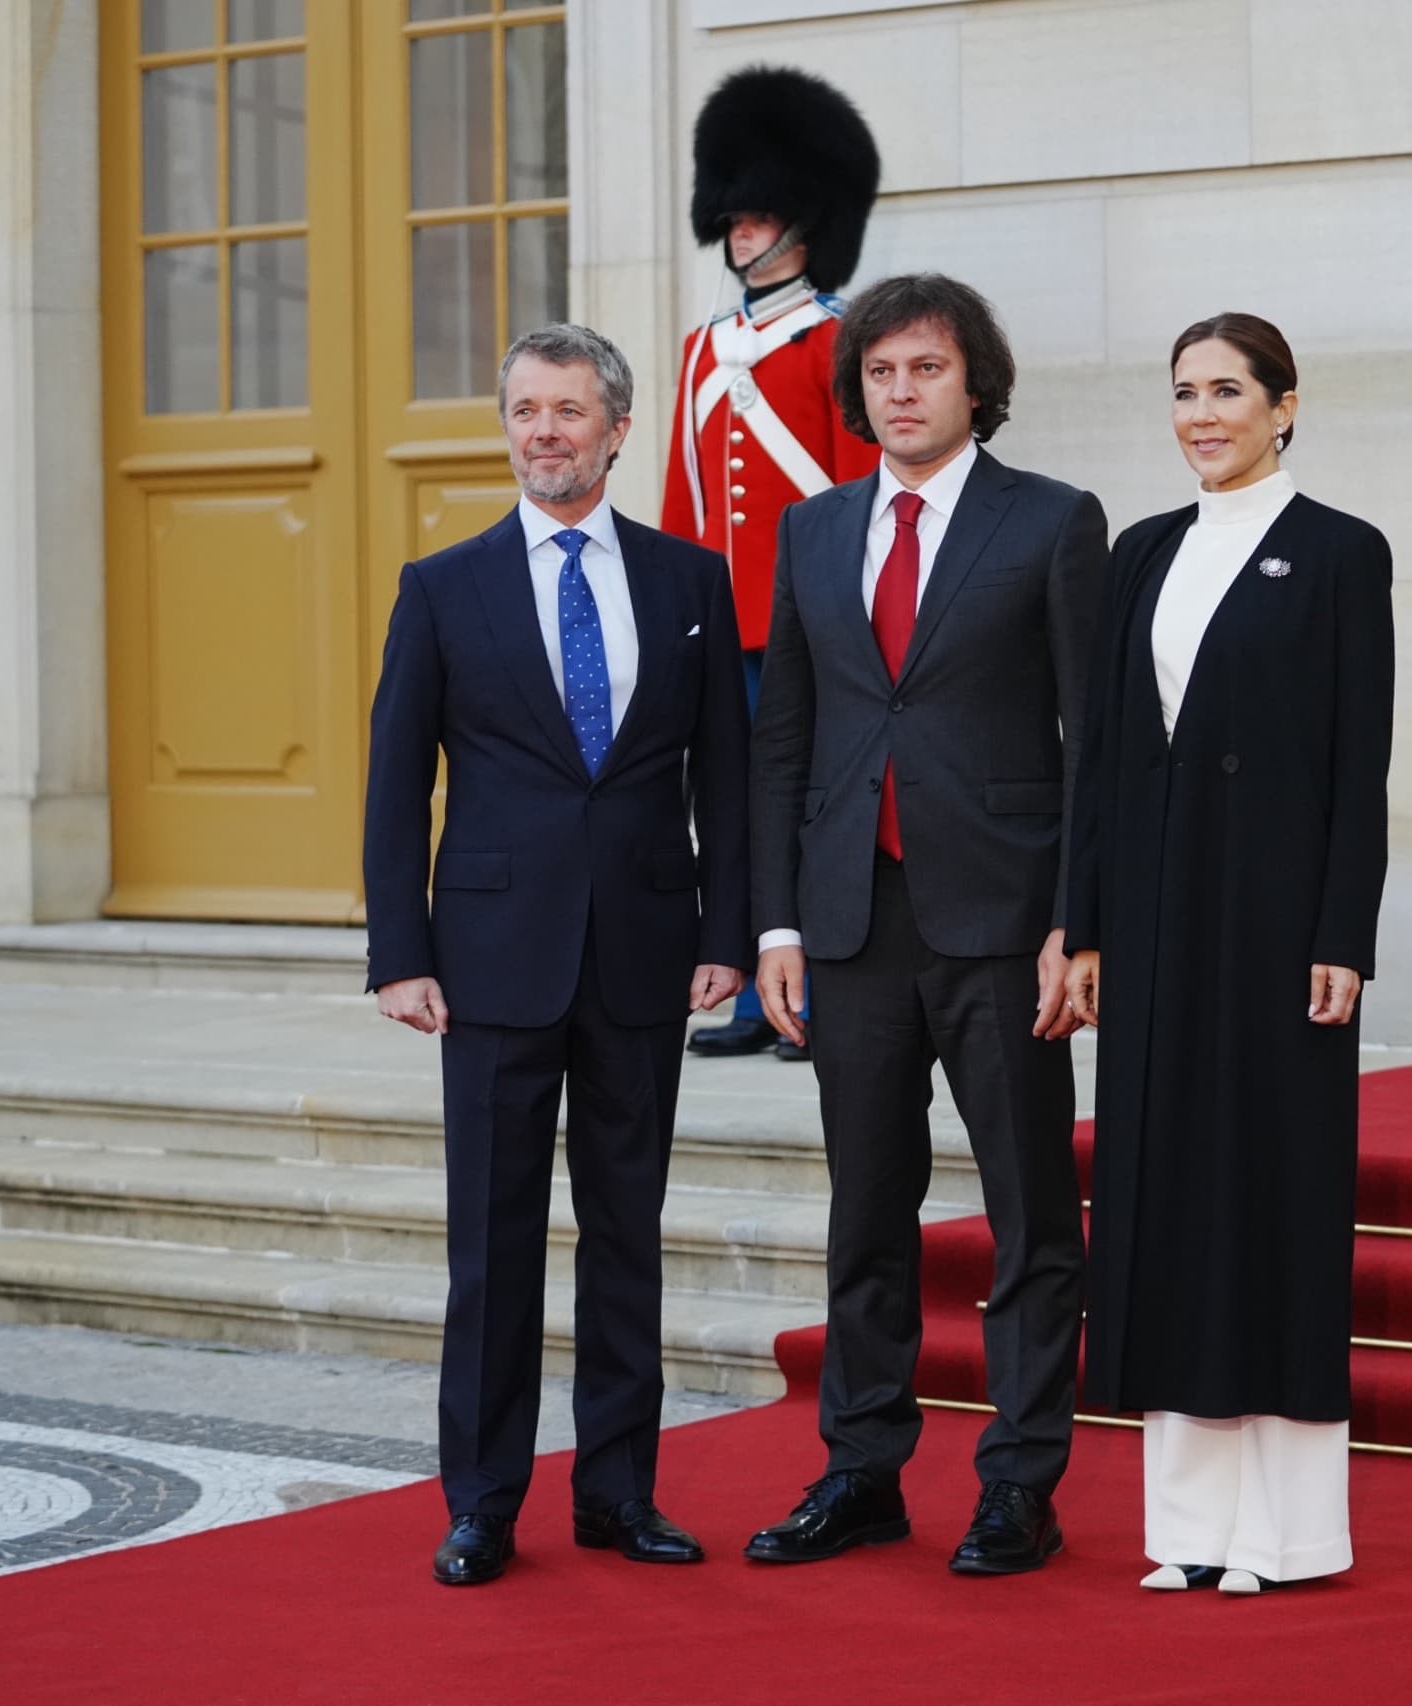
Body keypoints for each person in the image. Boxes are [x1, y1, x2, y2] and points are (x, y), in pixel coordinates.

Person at [363, 323, 752, 1587]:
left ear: (616, 427)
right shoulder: (442, 584)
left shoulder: (692, 582)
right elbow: (392, 781)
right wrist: (397, 950)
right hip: (487, 961)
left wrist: (727, 931)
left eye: (569, 410)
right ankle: (480, 1500)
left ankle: (618, 1492)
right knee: (494, 1244)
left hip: (644, 953)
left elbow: (726, 780)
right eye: (525, 410)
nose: (545, 431)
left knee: (625, 1234)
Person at [743, 273, 1107, 1575]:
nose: (902, 392)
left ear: (974, 385)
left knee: (1028, 1214)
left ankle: (1019, 1479)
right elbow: (779, 741)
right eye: (883, 373)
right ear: (860, 393)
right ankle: (862, 1469)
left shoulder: (1055, 523)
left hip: (1006, 924)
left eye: (926, 370)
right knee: (867, 1210)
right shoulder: (811, 529)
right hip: (850, 924)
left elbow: (1096, 742)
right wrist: (774, 921)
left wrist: (1081, 922)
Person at [1061, 312, 1394, 1597]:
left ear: (1285, 405)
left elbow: (1356, 764)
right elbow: (1098, 761)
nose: (1202, 413)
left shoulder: (1337, 553)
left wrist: (1342, 935)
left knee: (1272, 1205)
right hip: (1149, 926)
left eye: (1228, 390)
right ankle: (1189, 1529)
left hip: (1275, 933)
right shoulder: (1141, 550)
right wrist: (1079, 924)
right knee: (1165, 1202)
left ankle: (1286, 1535)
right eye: (1185, 392)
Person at [666, 65, 884, 1063]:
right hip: (727, 621)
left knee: (816, 807)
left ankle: (821, 994)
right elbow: (686, 499)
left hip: (812, 620)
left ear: (805, 223)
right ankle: (755, 995)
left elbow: (860, 495)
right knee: (738, 809)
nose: (742, 232)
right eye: (736, 216)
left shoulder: (837, 340)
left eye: (760, 216)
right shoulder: (702, 350)